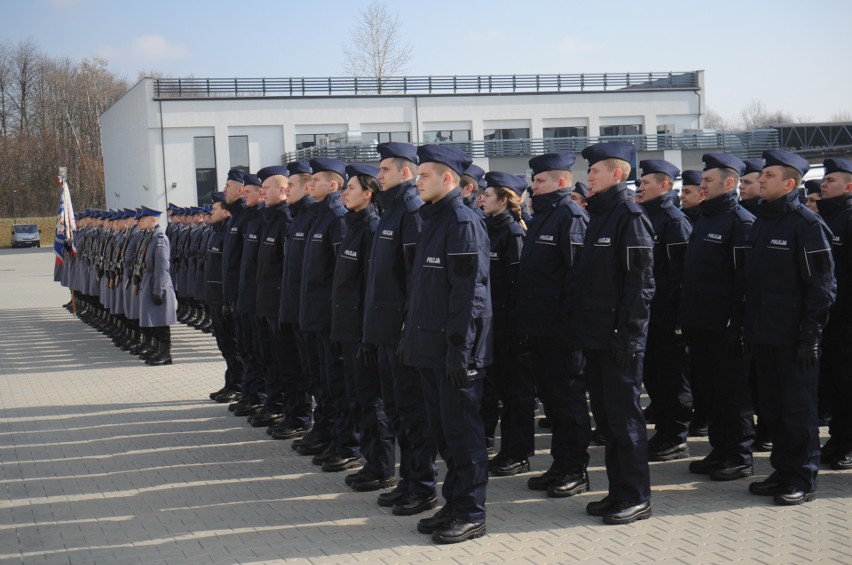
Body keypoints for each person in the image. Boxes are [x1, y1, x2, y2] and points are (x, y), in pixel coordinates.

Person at [405, 144, 491, 544]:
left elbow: (469, 293)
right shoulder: (433, 220)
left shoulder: (461, 221)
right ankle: (454, 504)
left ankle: (471, 513)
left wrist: (461, 349)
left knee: (463, 436)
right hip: (429, 347)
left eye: (424, 175)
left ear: (448, 179)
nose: (417, 181)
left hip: (455, 351)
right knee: (443, 433)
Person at [745, 149, 835, 505]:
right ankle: (782, 471)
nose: (761, 179)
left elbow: (823, 287)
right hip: (764, 333)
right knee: (772, 408)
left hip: (794, 337)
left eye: (768, 176)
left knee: (798, 412)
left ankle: (803, 477)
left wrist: (810, 336)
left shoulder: (807, 224)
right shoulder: (763, 221)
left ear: (790, 183)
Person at [575, 141, 655, 525]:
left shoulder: (629, 216)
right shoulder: (601, 215)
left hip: (620, 340)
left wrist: (630, 336)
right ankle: (617, 491)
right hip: (597, 336)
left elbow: (640, 284)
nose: (588, 177)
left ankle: (636, 496)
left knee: (626, 422)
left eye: (594, 171)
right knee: (609, 421)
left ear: (617, 174)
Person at [362, 142, 437, 514]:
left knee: (412, 414)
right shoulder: (390, 211)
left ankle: (422, 486)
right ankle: (408, 480)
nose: (379, 176)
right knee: (396, 411)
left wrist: (408, 329)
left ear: (405, 173)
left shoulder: (410, 211)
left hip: (404, 334)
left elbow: (414, 280)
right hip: (386, 332)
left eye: (385, 170)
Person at [514, 152, 591, 499]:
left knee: (569, 403)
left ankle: (575, 470)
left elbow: (577, 278)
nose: (534, 185)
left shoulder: (569, 216)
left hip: (562, 332)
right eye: (534, 180)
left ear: (561, 182)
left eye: (541, 180)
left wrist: (569, 329)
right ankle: (559, 464)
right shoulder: (544, 216)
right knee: (554, 403)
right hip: (541, 329)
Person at [680, 153, 756, 481]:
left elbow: (745, 281)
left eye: (708, 181)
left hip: (724, 326)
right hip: (700, 323)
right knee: (710, 392)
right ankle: (719, 449)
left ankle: (738, 455)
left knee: (732, 393)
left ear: (728, 183)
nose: (702, 186)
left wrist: (737, 324)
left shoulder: (740, 222)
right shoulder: (706, 219)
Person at [331, 163, 396, 492]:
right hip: (348, 329)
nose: (344, 193)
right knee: (358, 399)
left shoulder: (371, 228)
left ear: (368, 194)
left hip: (363, 331)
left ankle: (382, 467)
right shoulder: (351, 226)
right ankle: (372, 462)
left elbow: (372, 288)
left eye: (351, 188)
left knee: (372, 402)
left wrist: (366, 335)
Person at [300, 158, 356, 472]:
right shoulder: (319, 216)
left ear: (332, 185)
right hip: (316, 314)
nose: (310, 186)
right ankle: (329, 434)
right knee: (322, 381)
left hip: (329, 317)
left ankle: (343, 441)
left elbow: (339, 275)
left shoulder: (336, 218)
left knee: (337, 383)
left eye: (315, 181)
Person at [635, 159, 693, 462]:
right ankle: (664, 431)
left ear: (664, 186)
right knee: (655, 378)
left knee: (673, 378)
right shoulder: (646, 217)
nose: (639, 187)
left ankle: (677, 436)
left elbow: (682, 274)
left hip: (668, 316)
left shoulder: (673, 221)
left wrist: (678, 318)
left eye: (646, 183)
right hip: (649, 315)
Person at [478, 171, 531, 477]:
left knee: (515, 395)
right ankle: (495, 445)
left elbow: (517, 288)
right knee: (491, 391)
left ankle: (517, 452)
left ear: (504, 199)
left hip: (509, 328)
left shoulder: (513, 235)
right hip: (490, 326)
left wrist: (517, 330)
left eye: (488, 194)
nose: (481, 197)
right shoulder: (486, 229)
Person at [276, 161, 321, 443]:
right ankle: (302, 419)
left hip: (315, 314)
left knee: (317, 377)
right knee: (294, 368)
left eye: (289, 186)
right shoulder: (300, 218)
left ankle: (308, 421)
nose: (285, 190)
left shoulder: (318, 218)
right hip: (294, 309)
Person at [814, 158, 852, 470]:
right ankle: (838, 440)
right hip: (829, 318)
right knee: (833, 385)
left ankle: (848, 445)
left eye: (831, 180)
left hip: (847, 320)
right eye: (824, 180)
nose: (824, 185)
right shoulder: (826, 218)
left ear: (849, 186)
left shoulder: (849, 218)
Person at [254, 166, 296, 428]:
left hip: (280, 306)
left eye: (266, 188)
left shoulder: (286, 221)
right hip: (266, 304)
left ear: (282, 190)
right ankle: (277, 405)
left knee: (287, 363)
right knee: (270, 358)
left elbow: (285, 271)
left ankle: (291, 412)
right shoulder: (269, 220)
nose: (262, 192)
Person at [205, 192, 244, 403]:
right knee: (224, 345)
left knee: (233, 344)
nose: (211, 212)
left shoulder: (229, 232)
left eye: (215, 209)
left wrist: (227, 299)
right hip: (214, 297)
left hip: (224, 298)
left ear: (226, 211)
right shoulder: (216, 232)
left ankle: (238, 385)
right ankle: (231, 382)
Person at [235, 174, 268, 420]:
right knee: (248, 349)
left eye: (249, 192)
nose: (243, 196)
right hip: (248, 297)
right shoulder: (251, 220)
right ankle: (253, 394)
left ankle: (268, 400)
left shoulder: (269, 219)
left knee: (269, 356)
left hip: (266, 302)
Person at [136, 205, 177, 365]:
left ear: (153, 219)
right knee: (152, 319)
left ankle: (165, 354)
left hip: (157, 281)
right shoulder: (151, 236)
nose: (140, 221)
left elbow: (162, 265)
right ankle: (156, 350)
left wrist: (159, 288)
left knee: (160, 321)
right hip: (150, 279)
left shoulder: (160, 238)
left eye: (143, 219)